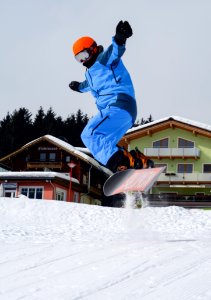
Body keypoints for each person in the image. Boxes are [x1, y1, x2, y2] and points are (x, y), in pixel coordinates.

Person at [69, 21, 139, 172]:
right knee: (104, 142)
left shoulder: (103, 59)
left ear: (93, 49)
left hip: (118, 104)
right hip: (124, 112)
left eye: (84, 55)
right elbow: (86, 85)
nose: (83, 61)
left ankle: (120, 165)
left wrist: (120, 38)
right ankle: (136, 161)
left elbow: (115, 51)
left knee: (89, 134)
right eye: (79, 58)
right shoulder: (89, 74)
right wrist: (78, 87)